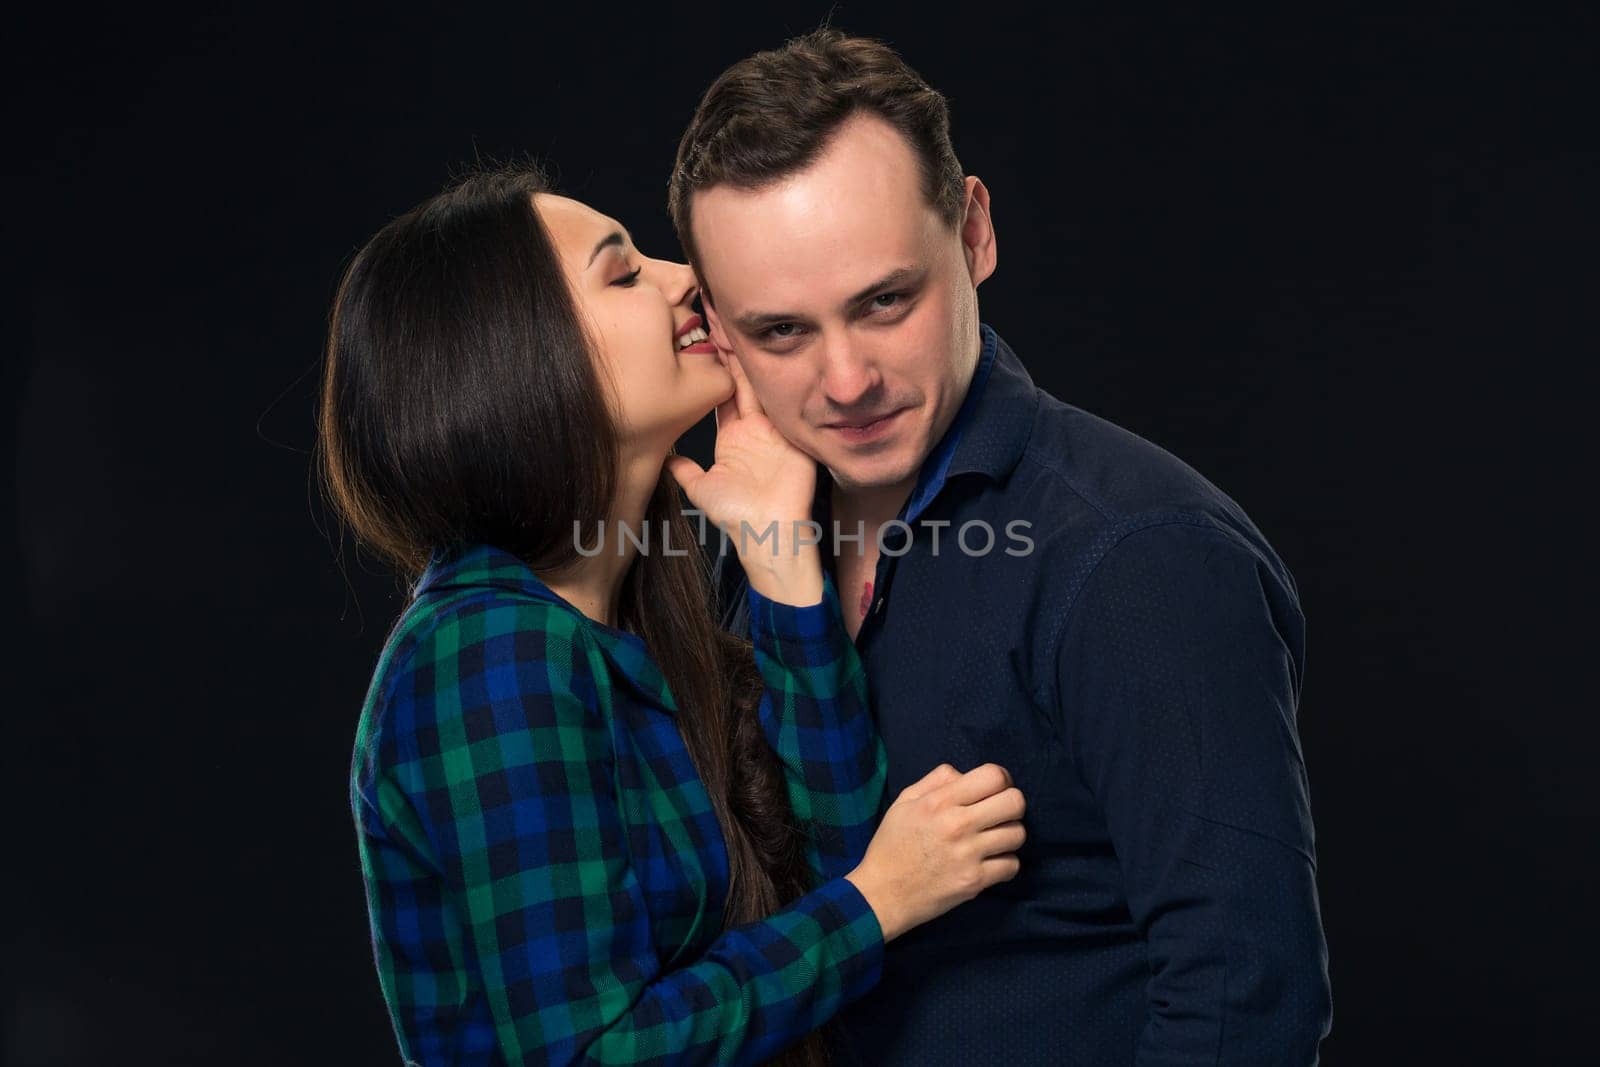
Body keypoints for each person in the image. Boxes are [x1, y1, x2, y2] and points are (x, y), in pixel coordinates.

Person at [669, 29, 1334, 1064]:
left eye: (885, 301)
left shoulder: (1137, 555)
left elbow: (1242, 1002)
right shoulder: (733, 548)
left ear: (972, 233)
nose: (846, 381)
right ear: (713, 325)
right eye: (782, 332)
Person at [317, 164, 1028, 1066]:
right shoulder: (484, 652)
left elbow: (835, 852)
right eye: (624, 273)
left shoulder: (633, 618)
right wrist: (879, 903)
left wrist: (779, 554)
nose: (684, 275)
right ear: (517, 358)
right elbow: (590, 1053)